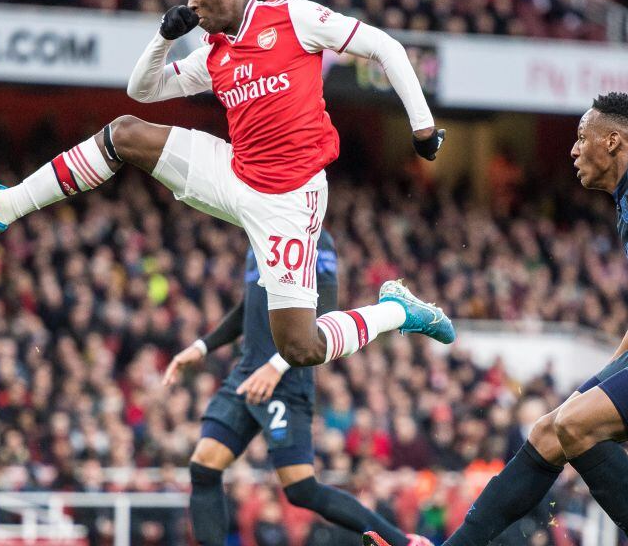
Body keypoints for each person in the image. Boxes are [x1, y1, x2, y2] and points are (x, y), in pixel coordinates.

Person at [0, 0, 454, 371]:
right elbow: (142, 90)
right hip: (232, 172)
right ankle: (5, 209)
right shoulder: (213, 54)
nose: (191, 1)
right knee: (125, 134)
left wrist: (422, 128)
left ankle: (396, 311)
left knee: (299, 347)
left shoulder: (293, 17)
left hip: (289, 200)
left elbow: (386, 47)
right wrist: (162, 37)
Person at [407, 92, 628, 546]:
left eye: (582, 138)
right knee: (548, 430)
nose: (573, 150)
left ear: (613, 140)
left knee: (575, 424)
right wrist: (604, 378)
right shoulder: (625, 209)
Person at [163, 232, 431, 546]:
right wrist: (202, 346)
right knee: (203, 466)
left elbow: (327, 317)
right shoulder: (258, 234)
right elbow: (248, 305)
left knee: (300, 488)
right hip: (248, 372)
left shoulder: (316, 240)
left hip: (288, 377)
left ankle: (404, 543)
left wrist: (277, 366)